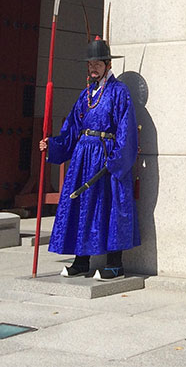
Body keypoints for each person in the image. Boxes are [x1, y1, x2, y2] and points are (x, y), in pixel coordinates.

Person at [39, 37, 140, 279]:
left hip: (106, 158)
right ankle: (81, 261)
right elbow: (72, 128)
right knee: (80, 207)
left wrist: (116, 161)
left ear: (108, 65)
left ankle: (115, 264)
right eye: (90, 64)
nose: (93, 68)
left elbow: (126, 129)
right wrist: (53, 145)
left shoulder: (119, 92)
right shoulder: (86, 95)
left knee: (110, 207)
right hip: (83, 158)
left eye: (98, 63)